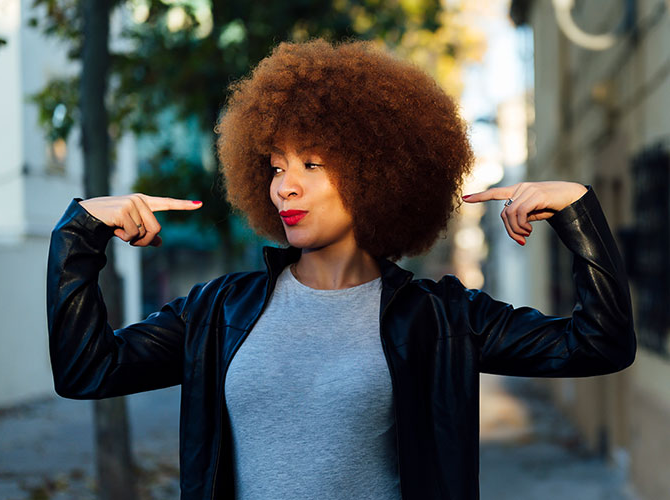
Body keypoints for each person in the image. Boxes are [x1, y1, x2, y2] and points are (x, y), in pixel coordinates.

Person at [47, 39, 636, 500]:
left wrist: (577, 213)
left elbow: (598, 345)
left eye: (311, 163)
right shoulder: (218, 310)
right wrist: (80, 233)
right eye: (276, 165)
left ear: (377, 173)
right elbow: (87, 370)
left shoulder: (441, 318)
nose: (286, 185)